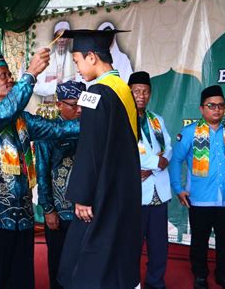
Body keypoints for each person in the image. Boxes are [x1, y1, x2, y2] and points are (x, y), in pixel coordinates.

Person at [0, 49, 80, 289]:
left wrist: (97, 118)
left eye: (10, 74)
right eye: (4, 75)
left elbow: (60, 129)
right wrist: (30, 74)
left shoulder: (23, 120)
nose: (10, 79)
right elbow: (3, 113)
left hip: (22, 218)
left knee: (21, 281)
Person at [57, 29, 142, 289]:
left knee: (85, 259)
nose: (78, 69)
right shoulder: (124, 90)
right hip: (124, 190)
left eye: (77, 61)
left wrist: (83, 196)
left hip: (102, 193)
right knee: (118, 249)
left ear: (92, 57)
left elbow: (90, 147)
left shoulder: (94, 93)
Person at [169, 85, 225, 289]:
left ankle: (223, 276)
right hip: (199, 198)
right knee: (199, 241)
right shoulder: (189, 133)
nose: (217, 110)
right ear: (201, 108)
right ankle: (200, 276)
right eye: (211, 105)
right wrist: (178, 188)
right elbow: (176, 160)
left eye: (221, 106)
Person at [35, 80, 86, 289]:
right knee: (59, 265)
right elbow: (42, 172)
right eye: (73, 105)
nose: (79, 110)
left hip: (86, 213)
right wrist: (48, 209)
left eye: (83, 104)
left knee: (84, 265)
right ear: (58, 105)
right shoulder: (48, 132)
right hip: (59, 213)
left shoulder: (91, 130)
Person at [129, 71, 172, 289]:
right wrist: (158, 164)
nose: (141, 95)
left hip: (159, 192)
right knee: (133, 244)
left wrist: (156, 167)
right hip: (136, 194)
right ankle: (133, 282)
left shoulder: (157, 119)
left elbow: (169, 147)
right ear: (129, 92)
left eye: (145, 91)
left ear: (150, 93)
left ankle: (156, 282)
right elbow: (129, 153)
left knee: (159, 245)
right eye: (136, 91)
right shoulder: (124, 118)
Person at [34, 21, 79, 98]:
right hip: (49, 107)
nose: (61, 40)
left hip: (71, 106)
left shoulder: (76, 60)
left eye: (64, 36)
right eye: (58, 36)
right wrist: (57, 84)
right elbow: (37, 88)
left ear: (69, 39)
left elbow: (80, 84)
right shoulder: (46, 60)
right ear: (54, 39)